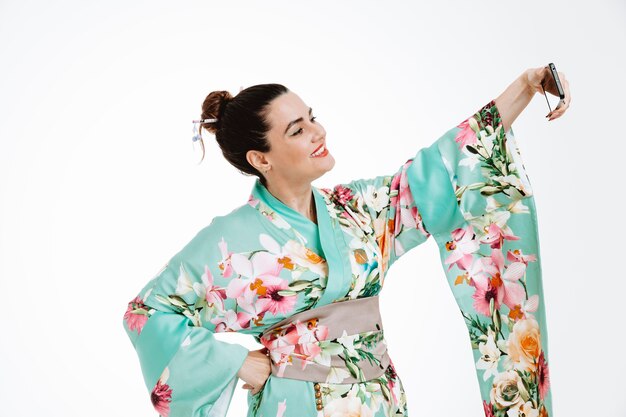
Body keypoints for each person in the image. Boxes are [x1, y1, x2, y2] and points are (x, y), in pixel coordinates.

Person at [122, 66, 570, 417]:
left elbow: (443, 170)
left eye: (312, 118)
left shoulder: (358, 206)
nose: (318, 132)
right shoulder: (228, 241)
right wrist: (236, 364)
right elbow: (145, 313)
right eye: (296, 130)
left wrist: (526, 87)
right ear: (262, 159)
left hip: (381, 399)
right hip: (295, 403)